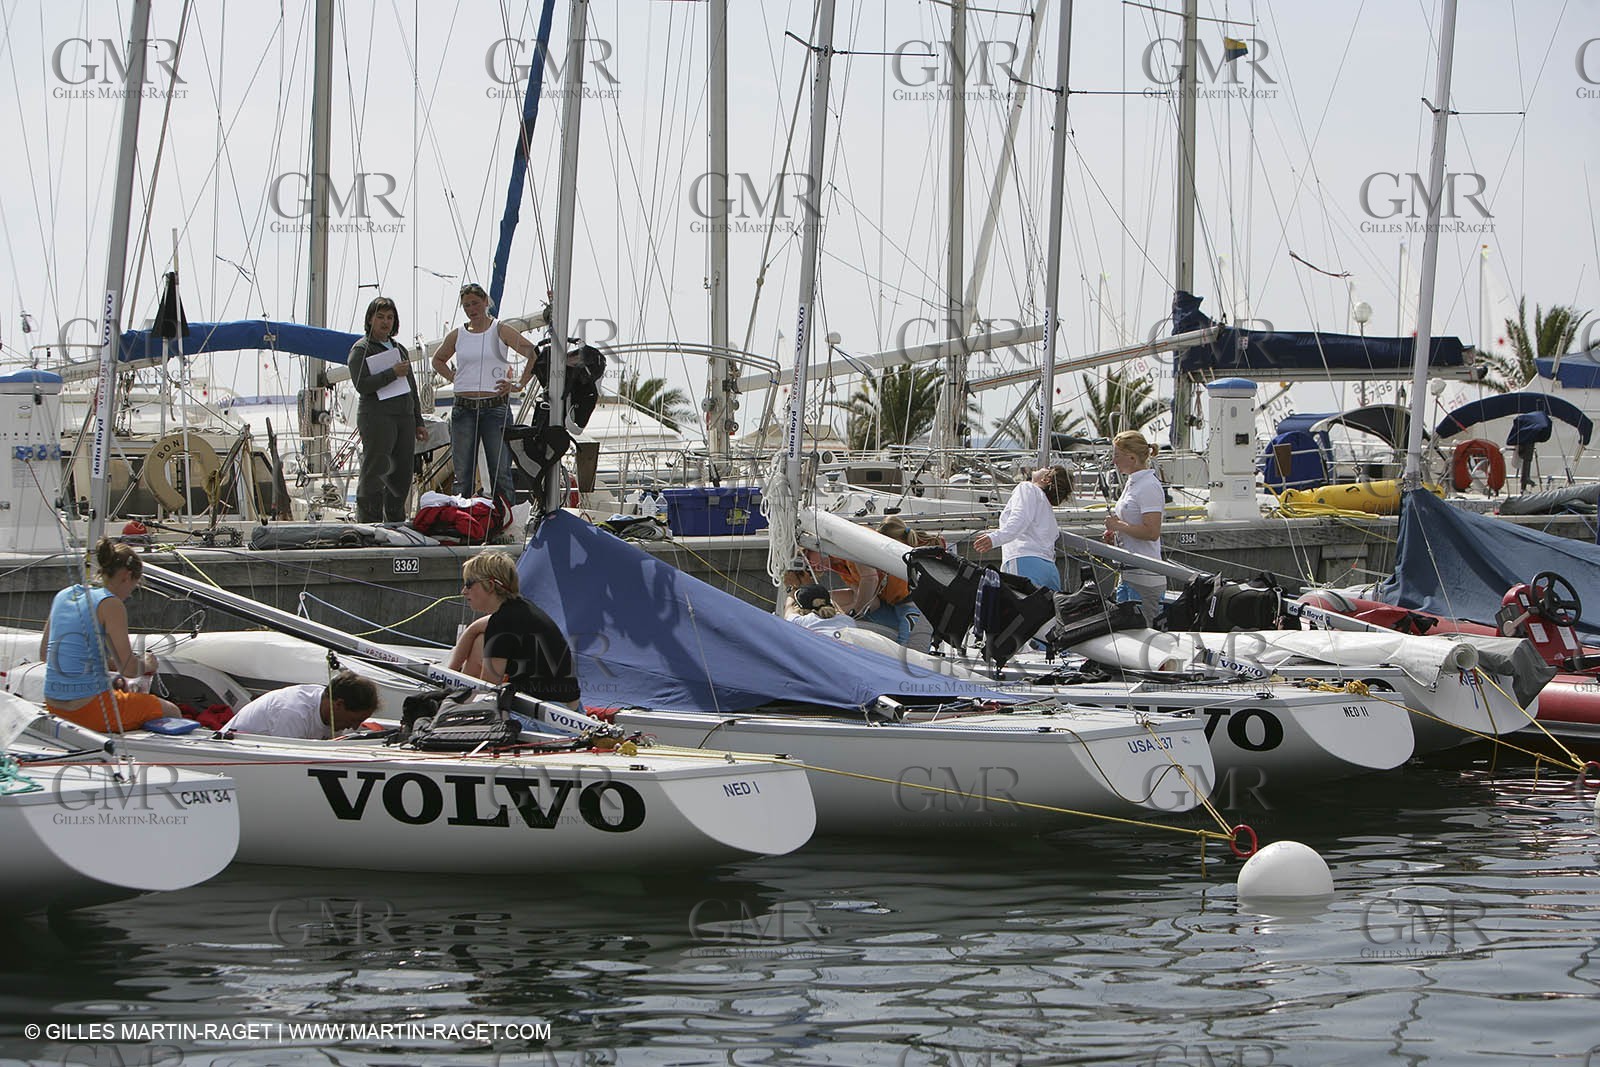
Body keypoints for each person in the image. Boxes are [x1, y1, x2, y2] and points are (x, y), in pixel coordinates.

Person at [39, 538, 180, 732]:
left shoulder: (64, 594)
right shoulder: (110, 604)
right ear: (126, 575)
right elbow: (129, 670)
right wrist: (148, 663)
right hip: (88, 709)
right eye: (133, 586)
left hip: (54, 705)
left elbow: (45, 655)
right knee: (172, 712)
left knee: (122, 694)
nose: (129, 594)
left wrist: (110, 672)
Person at [429, 283, 539, 506]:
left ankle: (504, 521)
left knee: (501, 473)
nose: (471, 309)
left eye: (475, 303)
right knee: (463, 476)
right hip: (463, 408)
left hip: (495, 407)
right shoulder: (457, 334)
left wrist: (519, 384)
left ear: (486, 302)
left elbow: (533, 353)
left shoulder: (500, 330)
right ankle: (463, 521)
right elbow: (437, 360)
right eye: (467, 305)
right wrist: (455, 378)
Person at [446, 550, 582, 709]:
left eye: (469, 584)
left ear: (490, 585)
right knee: (479, 642)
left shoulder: (502, 623)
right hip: (572, 707)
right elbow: (473, 630)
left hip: (551, 715)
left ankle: (457, 702)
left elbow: (489, 692)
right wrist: (448, 676)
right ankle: (456, 694)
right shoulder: (520, 608)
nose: (464, 591)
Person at [348, 296, 427, 523]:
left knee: (402, 473)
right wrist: (392, 373)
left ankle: (395, 520)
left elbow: (412, 387)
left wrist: (418, 420)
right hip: (377, 416)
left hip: (404, 417)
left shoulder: (399, 348)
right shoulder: (361, 349)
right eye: (380, 317)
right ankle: (368, 521)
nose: (385, 322)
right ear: (370, 319)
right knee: (377, 470)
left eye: (390, 317)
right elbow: (362, 385)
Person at [972, 465, 1072, 591]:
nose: (1044, 466)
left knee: (1019, 608)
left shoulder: (1027, 487)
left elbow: (1020, 519)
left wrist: (995, 538)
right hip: (1050, 568)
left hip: (1025, 562)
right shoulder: (1047, 508)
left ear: (1046, 480)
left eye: (1048, 468)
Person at [1103, 430, 1166, 623]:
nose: (1114, 461)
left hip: (1145, 576)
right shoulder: (1133, 483)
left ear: (1131, 457)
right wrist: (1114, 535)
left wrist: (1119, 525)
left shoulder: (1148, 486)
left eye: (1116, 456)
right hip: (1128, 573)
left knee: (1142, 633)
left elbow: (1152, 532)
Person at [227, 671, 380, 739]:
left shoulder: (330, 711)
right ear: (339, 704)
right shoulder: (293, 712)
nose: (353, 727)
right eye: (353, 720)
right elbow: (284, 765)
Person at [788, 582, 857, 638]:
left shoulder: (801, 622)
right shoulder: (849, 621)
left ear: (803, 609)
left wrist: (791, 589)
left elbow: (789, 608)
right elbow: (839, 612)